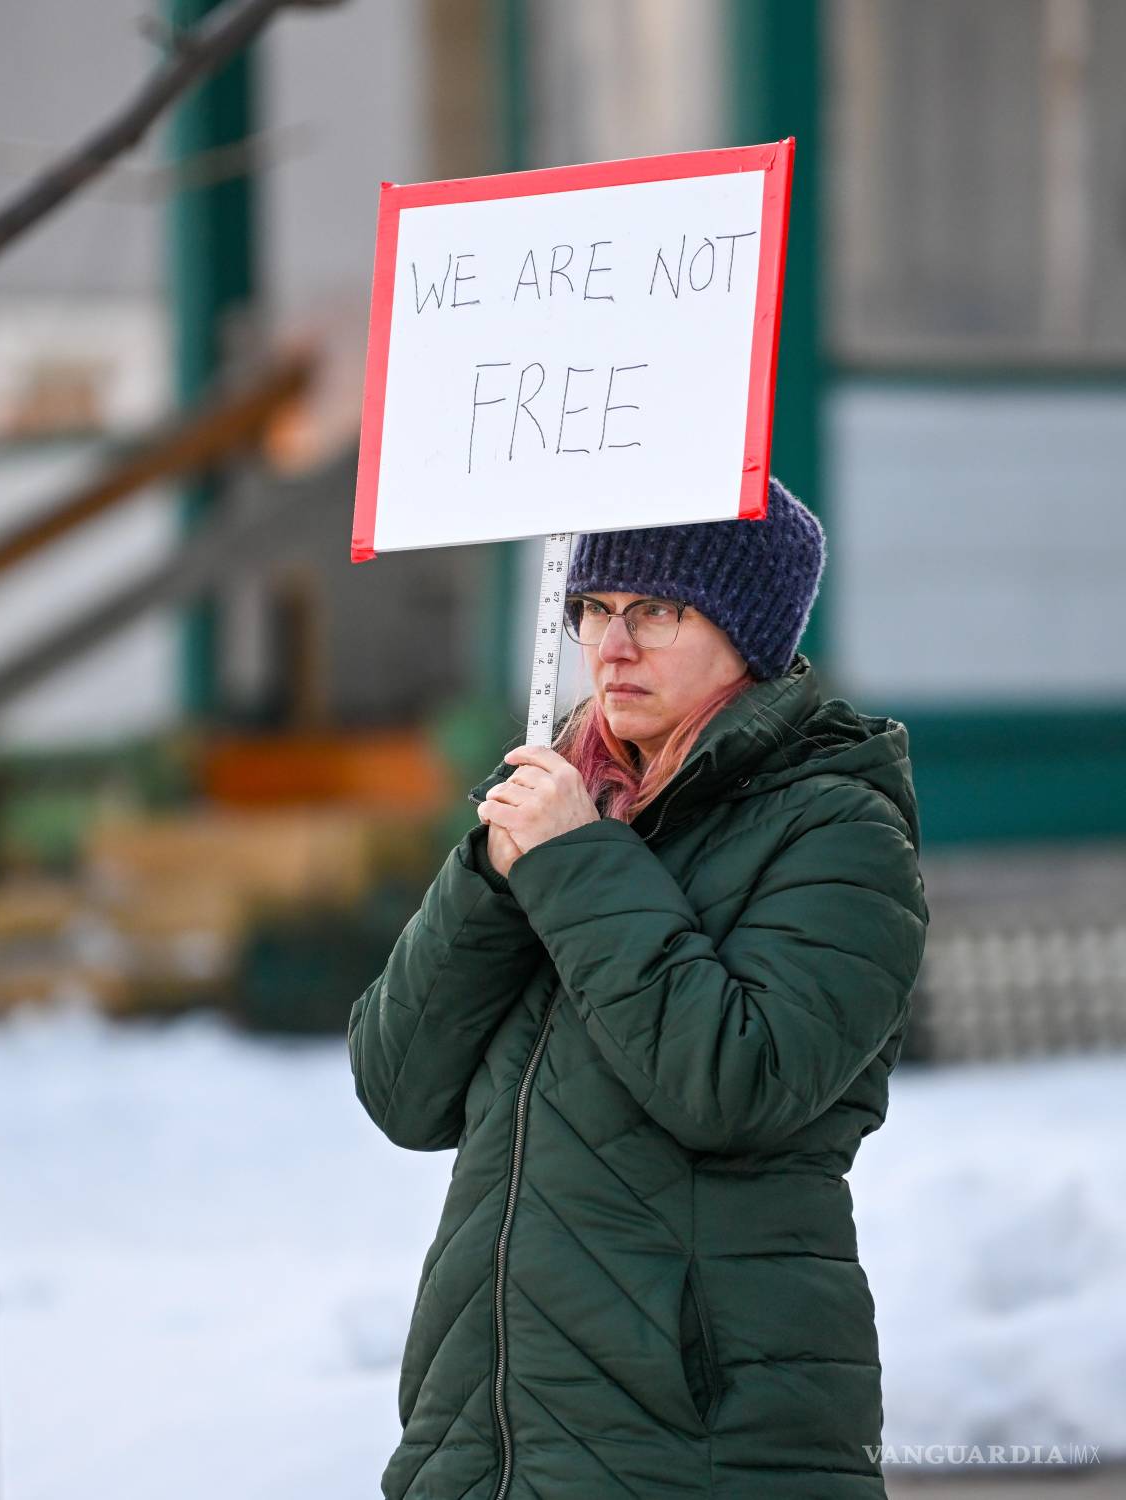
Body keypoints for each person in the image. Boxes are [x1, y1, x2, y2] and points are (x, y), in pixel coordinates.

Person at [348, 475, 930, 1500]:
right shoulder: (561, 808)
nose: (610, 647)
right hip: (482, 1443)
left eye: (656, 611)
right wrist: (491, 874)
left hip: (699, 1447)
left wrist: (574, 866)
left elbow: (735, 1087)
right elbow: (401, 1092)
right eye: (594, 610)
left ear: (746, 631)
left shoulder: (838, 830)